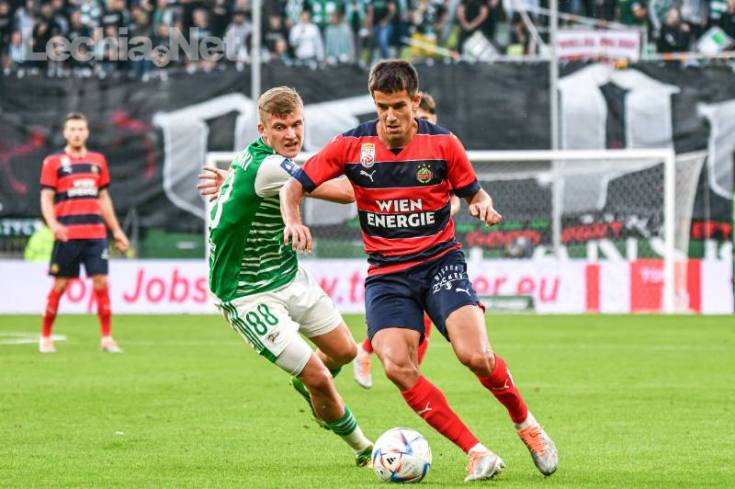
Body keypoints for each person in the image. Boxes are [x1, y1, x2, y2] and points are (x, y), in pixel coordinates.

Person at [281, 60, 558, 481]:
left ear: (414, 102)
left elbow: (475, 192)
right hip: (387, 274)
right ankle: (476, 452)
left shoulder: (443, 144)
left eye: (398, 106)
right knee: (396, 365)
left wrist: (481, 204)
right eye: (381, 107)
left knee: (476, 357)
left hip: (440, 264)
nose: (390, 116)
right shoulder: (352, 145)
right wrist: (293, 220)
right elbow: (294, 185)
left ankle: (527, 424)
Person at [203, 86, 373, 467]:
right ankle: (366, 450)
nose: (292, 134)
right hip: (245, 293)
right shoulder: (270, 167)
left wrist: (232, 182)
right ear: (262, 131)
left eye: (297, 124)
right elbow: (346, 192)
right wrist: (369, 164)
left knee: (345, 351)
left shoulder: (260, 162)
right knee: (319, 376)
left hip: (286, 275)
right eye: (280, 127)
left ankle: (307, 384)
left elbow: (263, 181)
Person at [352, 91, 461, 389]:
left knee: (425, 316)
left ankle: (405, 372)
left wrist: (444, 208)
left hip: (434, 245)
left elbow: (457, 195)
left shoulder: (440, 147)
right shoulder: (381, 150)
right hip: (397, 249)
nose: (422, 125)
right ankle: (369, 352)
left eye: (429, 120)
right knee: (408, 311)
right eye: (420, 118)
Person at [39, 112, 129, 353]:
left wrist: (117, 231)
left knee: (101, 282)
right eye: (72, 129)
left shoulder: (98, 161)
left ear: (87, 132)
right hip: (67, 234)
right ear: (65, 133)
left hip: (95, 235)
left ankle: (107, 338)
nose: (76, 133)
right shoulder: (53, 162)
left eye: (80, 129)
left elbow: (103, 197)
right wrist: (53, 225)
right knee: (60, 285)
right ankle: (45, 336)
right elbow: (46, 197)